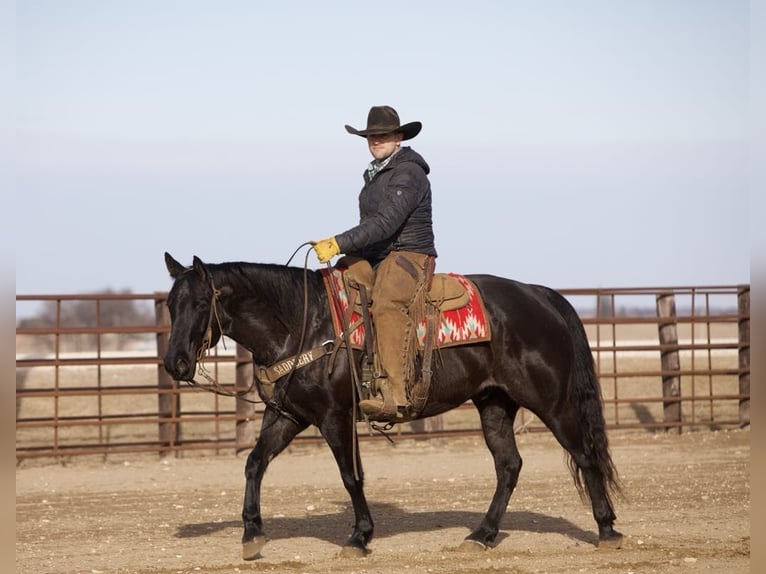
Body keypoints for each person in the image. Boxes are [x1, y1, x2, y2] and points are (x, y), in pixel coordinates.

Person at [312, 105, 437, 421]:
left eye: (382, 135)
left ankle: (396, 394)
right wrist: (345, 253)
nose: (375, 141)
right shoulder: (376, 174)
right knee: (337, 281)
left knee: (385, 304)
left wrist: (338, 242)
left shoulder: (408, 174)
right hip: (378, 255)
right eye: (370, 136)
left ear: (398, 137)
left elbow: (386, 223)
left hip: (409, 254)